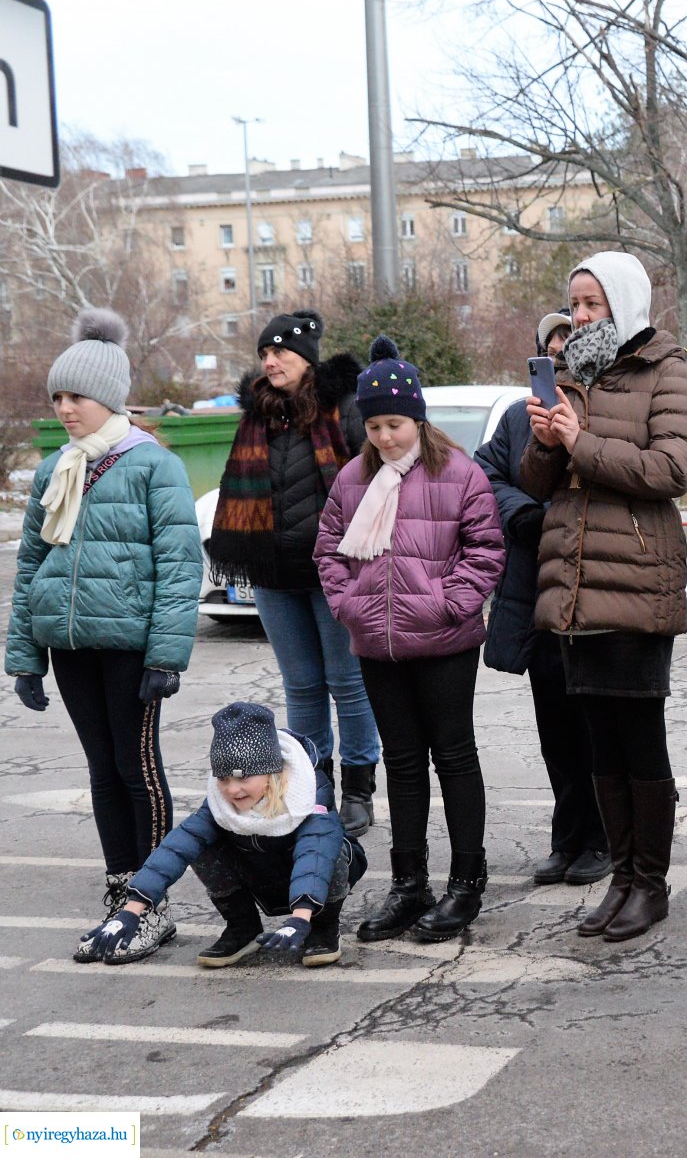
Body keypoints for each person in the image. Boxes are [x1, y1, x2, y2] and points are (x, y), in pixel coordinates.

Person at [6, 309, 202, 965]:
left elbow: (180, 565)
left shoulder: (151, 465)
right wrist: (25, 657)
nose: (65, 408)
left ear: (109, 398)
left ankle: (150, 907)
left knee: (135, 767)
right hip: (70, 646)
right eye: (58, 396)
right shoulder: (57, 468)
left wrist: (167, 653)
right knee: (101, 770)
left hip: (130, 646)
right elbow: (31, 564)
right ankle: (120, 895)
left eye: (76, 396)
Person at [522, 253, 687, 942]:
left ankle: (648, 885)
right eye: (574, 303)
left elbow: (673, 469)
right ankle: (620, 878)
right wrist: (546, 444)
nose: (581, 316)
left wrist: (581, 439)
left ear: (623, 304)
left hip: (632, 581)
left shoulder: (665, 370)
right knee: (599, 745)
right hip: (573, 588)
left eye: (593, 303)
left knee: (639, 743)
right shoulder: (570, 375)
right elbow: (539, 484)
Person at [316, 338, 505, 944]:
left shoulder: (459, 472)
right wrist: (351, 608)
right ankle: (409, 883)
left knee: (453, 757)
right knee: (401, 763)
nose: (385, 437)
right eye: (373, 425)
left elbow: (485, 549)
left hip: (445, 641)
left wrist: (451, 604)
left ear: (418, 418)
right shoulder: (352, 478)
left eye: (394, 424)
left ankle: (465, 884)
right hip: (379, 644)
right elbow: (328, 551)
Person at [205, 309, 379, 836]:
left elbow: (371, 484)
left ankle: (359, 790)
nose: (270, 361)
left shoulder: (343, 409)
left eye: (279, 351)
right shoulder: (256, 416)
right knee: (301, 687)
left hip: (334, 571)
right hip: (274, 575)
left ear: (306, 358)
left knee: (347, 684)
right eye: (264, 353)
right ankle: (314, 785)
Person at [79, 701, 368, 969]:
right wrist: (132, 909)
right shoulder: (220, 803)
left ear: (271, 772)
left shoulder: (309, 791)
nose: (232, 790)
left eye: (243, 777)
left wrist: (301, 917)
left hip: (308, 884)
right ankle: (242, 927)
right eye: (224, 779)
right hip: (260, 873)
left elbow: (315, 853)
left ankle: (324, 927)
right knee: (200, 843)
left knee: (332, 849)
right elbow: (177, 848)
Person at [477, 311, 610, 888]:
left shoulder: (599, 412)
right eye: (548, 352)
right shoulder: (515, 420)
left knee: (596, 726)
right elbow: (484, 478)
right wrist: (526, 515)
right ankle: (567, 837)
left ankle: (603, 837)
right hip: (537, 592)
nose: (557, 358)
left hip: (594, 591)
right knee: (554, 726)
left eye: (567, 349)